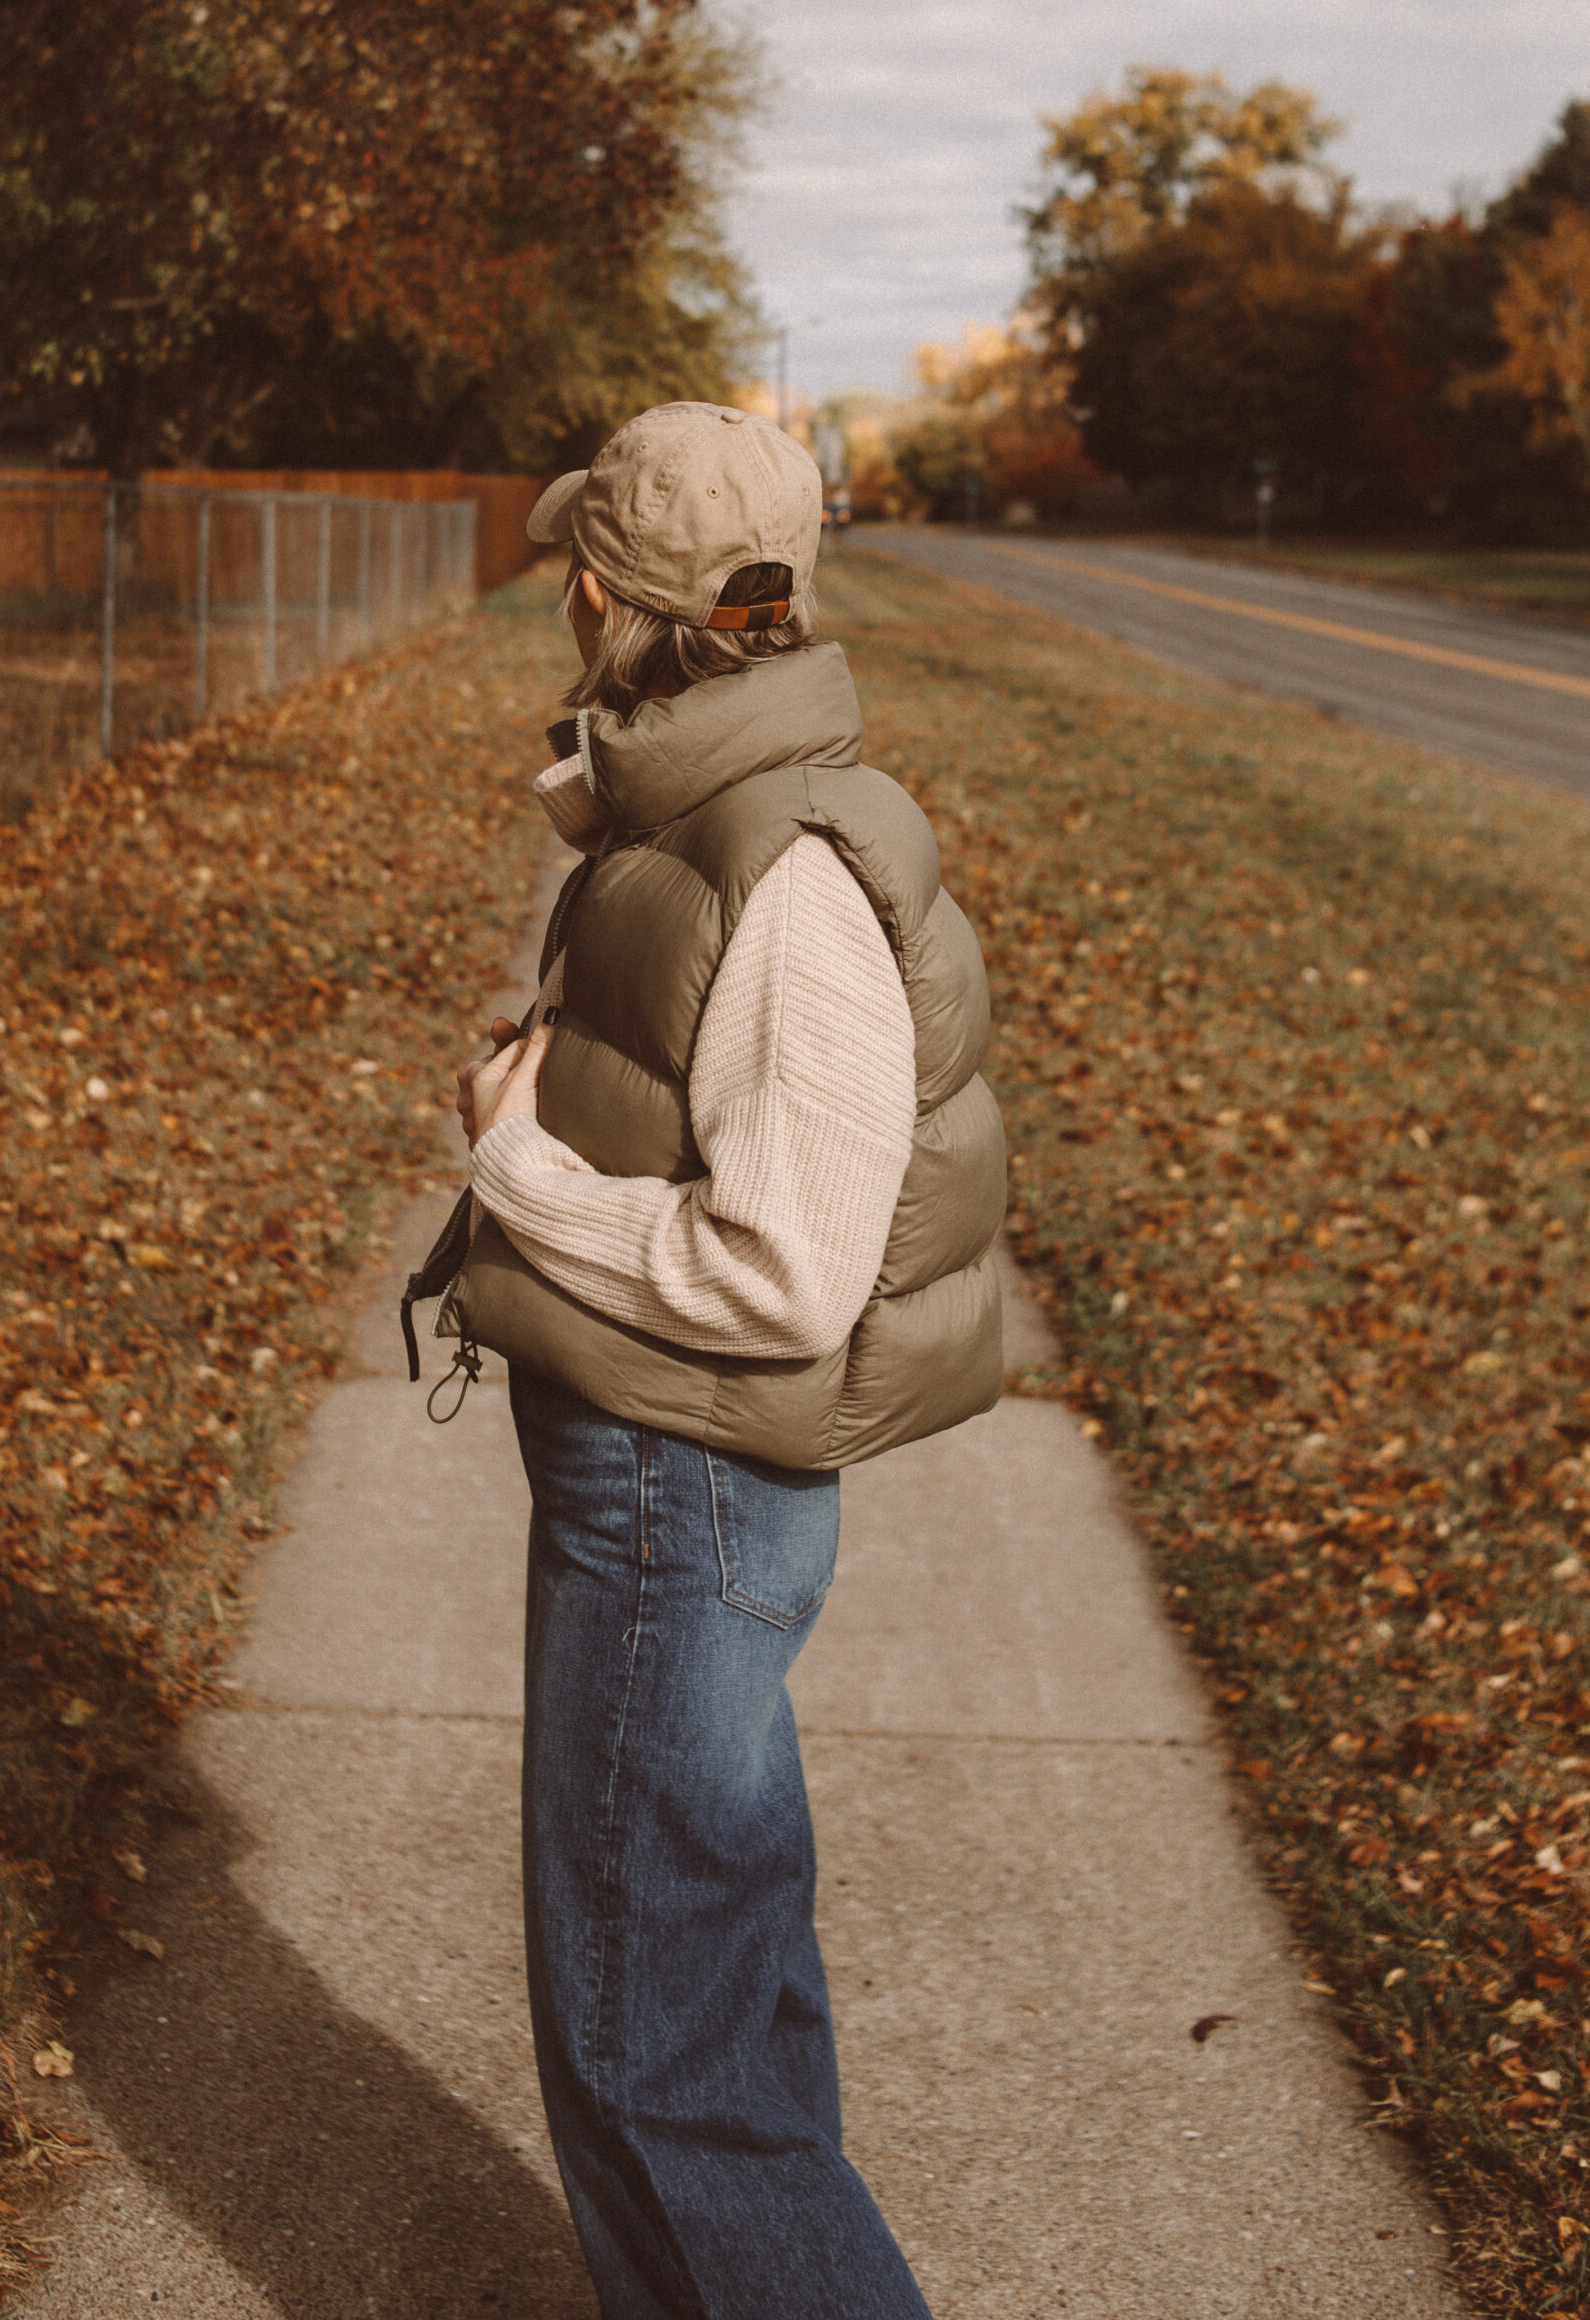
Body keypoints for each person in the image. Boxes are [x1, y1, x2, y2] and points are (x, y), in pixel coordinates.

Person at [444, 402, 1006, 2320]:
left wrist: (518, 1171)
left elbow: (782, 1275)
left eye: (572, 579)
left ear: (604, 595)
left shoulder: (785, 876)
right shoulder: (701, 816)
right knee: (700, 2017)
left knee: (660, 2059)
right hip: (660, 1484)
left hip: (677, 1503)